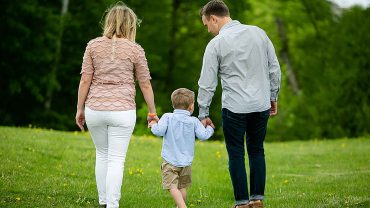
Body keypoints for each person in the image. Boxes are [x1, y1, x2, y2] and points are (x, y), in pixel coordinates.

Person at [197, 1, 281, 208]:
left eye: (206, 24)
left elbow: (207, 83)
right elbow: (274, 68)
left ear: (214, 18)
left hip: (234, 108)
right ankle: (257, 199)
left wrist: (203, 112)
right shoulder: (259, 33)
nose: (207, 29)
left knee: (236, 153)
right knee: (256, 150)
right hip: (260, 104)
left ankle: (242, 203)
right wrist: (273, 96)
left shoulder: (216, 44)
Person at [75, 2, 159, 208]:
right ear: (130, 25)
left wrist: (79, 108)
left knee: (102, 155)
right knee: (116, 159)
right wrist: (152, 112)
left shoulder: (92, 45)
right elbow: (145, 83)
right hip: (123, 110)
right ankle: (112, 204)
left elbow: (85, 80)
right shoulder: (136, 49)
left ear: (109, 22)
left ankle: (103, 202)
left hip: (95, 108)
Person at [148, 88, 214, 208]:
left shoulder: (167, 117)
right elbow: (203, 136)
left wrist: (153, 125)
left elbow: (159, 131)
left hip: (170, 161)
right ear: (191, 106)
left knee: (172, 187)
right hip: (186, 162)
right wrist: (210, 128)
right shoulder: (193, 121)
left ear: (173, 104)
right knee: (182, 187)